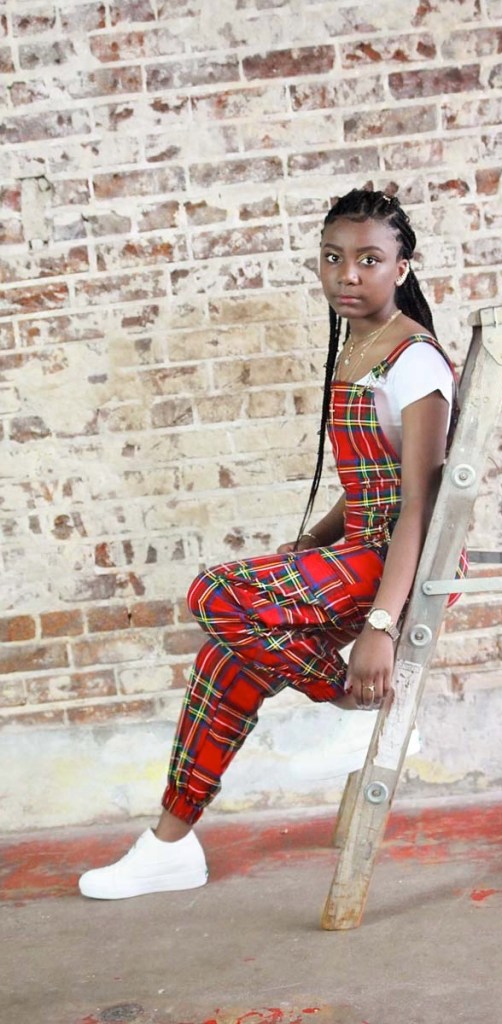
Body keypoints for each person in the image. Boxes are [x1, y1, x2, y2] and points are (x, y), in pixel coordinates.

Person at [78, 187, 465, 900]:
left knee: (214, 593)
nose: (347, 275)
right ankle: (170, 844)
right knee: (222, 660)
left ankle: (353, 704)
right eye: (333, 258)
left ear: (402, 267)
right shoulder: (358, 346)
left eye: (369, 260)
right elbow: (369, 480)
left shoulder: (414, 360)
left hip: (401, 559)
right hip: (359, 547)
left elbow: (420, 502)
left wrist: (380, 627)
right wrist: (308, 542)